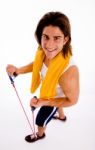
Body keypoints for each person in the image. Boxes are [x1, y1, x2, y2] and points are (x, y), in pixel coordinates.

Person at [6, 11, 79, 142]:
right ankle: (61, 117)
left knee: (40, 119)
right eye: (46, 37)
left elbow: (72, 100)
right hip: (53, 89)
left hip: (53, 97)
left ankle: (39, 134)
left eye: (56, 38)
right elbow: (38, 64)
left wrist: (45, 102)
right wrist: (18, 70)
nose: (49, 46)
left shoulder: (69, 73)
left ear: (65, 39)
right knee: (57, 92)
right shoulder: (43, 52)